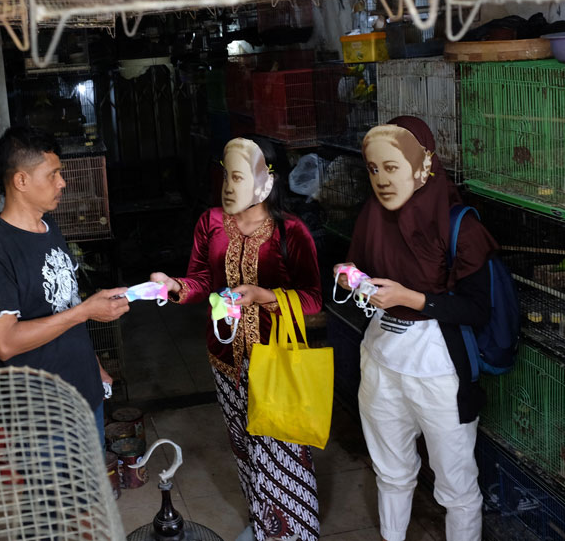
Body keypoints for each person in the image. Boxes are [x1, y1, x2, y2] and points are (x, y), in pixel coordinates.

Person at [150, 137, 324, 541]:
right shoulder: (211, 223)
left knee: (281, 452)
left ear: (266, 180)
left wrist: (264, 296)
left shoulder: (291, 231)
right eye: (226, 175)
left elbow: (314, 298)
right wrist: (174, 286)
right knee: (245, 447)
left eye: (239, 176)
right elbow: (201, 280)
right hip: (226, 359)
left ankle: (294, 533)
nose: (228, 186)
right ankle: (262, 523)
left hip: (276, 361)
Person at [334, 116, 498, 541]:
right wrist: (350, 275)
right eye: (374, 169)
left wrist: (413, 299)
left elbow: (478, 309)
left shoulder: (460, 226)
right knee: (391, 472)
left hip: (438, 369)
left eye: (392, 167)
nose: (382, 180)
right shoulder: (373, 216)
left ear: (423, 165)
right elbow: (361, 267)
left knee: (456, 486)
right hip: (381, 359)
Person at [0, 126, 129, 445]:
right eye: (53, 174)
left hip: (84, 393)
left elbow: (67, 304)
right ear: (21, 181)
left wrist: (93, 365)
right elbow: (5, 343)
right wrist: (85, 312)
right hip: (43, 418)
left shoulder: (48, 227)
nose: (62, 182)